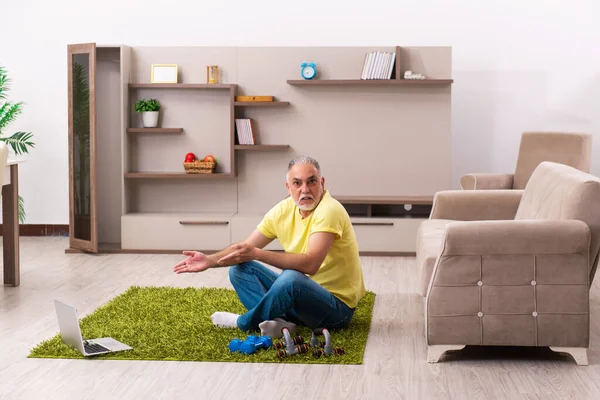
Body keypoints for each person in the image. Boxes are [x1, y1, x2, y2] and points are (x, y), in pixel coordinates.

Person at [172, 156, 366, 337]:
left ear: (322, 183)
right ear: (288, 187)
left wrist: (258, 254)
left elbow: (310, 265)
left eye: (312, 181)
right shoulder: (283, 209)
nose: (305, 189)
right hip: (302, 302)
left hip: (336, 311)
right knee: (240, 269)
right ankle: (281, 324)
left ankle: (244, 322)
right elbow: (245, 249)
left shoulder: (330, 210)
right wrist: (209, 260)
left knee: (291, 278)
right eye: (297, 183)